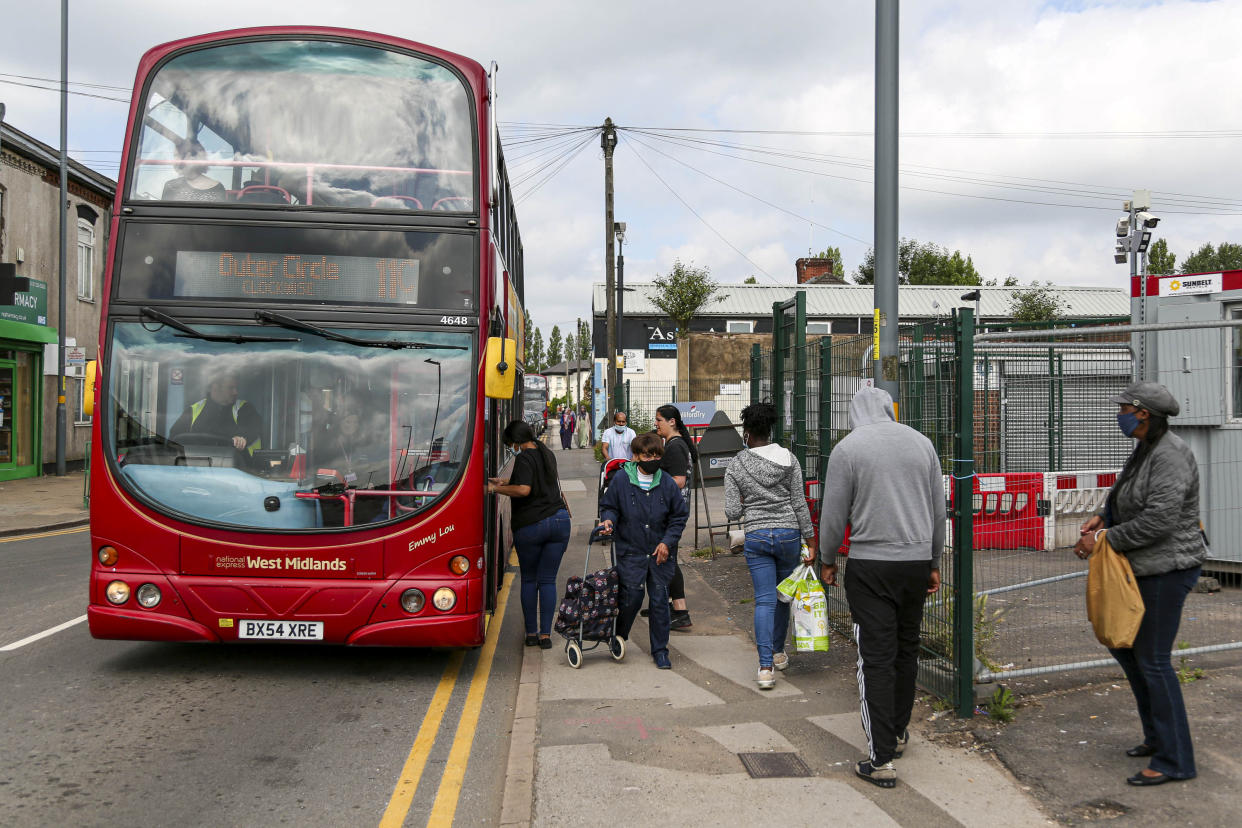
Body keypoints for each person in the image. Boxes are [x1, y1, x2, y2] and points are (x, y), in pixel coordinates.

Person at [1073, 381, 1207, 786]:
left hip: (1169, 569)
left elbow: (1159, 521)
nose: (1120, 413)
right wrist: (1102, 515)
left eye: (1125, 408)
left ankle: (1175, 760)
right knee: (1129, 653)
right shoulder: (1147, 448)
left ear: (1143, 413)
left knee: (1152, 660)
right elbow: (1126, 492)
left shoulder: (1171, 455)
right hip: (1144, 568)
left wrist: (1102, 539)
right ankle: (1156, 738)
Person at [817, 386, 944, 789]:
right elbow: (938, 509)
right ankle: (899, 732)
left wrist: (828, 558)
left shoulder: (849, 449)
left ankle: (881, 758)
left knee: (874, 657)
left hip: (871, 565)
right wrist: (934, 562)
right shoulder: (922, 444)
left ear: (855, 412)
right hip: (915, 561)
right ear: (890, 410)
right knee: (906, 650)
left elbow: (833, 511)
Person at [724, 402, 816, 690]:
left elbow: (730, 512)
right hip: (789, 534)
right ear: (771, 429)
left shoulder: (736, 464)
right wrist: (811, 540)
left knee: (764, 599)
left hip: (758, 535)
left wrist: (746, 503)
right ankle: (778, 651)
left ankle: (765, 669)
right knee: (783, 596)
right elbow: (800, 503)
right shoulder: (789, 459)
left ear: (747, 432)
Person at [597, 432, 689, 670]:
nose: (652, 459)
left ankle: (660, 650)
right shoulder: (621, 480)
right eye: (647, 455)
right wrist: (608, 521)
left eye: (657, 455)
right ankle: (619, 635)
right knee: (632, 598)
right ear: (636, 456)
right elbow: (609, 507)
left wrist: (667, 542)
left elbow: (678, 517)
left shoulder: (667, 482)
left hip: (660, 554)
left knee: (659, 600)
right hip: (632, 551)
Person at [488, 420, 571, 649]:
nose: (510, 448)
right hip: (559, 521)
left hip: (532, 525)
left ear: (516, 441)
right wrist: (506, 481)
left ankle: (531, 634)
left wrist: (495, 488)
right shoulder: (546, 453)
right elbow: (537, 482)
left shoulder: (523, 457)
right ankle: (546, 635)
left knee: (529, 579)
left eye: (510, 444)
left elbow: (524, 489)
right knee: (547, 581)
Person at [169, 368, 264, 469]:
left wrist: (242, 438)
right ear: (215, 387)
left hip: (241, 472)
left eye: (236, 388)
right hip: (197, 472)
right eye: (230, 388)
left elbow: (254, 428)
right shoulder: (194, 410)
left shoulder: (244, 409)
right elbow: (175, 439)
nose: (235, 392)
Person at [654, 404, 695, 629]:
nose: (656, 424)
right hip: (673, 509)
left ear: (672, 422)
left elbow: (678, 480)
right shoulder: (673, 444)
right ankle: (668, 605)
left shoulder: (675, 447)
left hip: (673, 511)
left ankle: (680, 612)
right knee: (667, 559)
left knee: (667, 559)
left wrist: (652, 483)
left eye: (659, 420)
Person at [315, 409, 387, 526]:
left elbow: (360, 470)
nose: (353, 426)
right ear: (339, 423)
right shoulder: (328, 445)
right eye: (348, 422)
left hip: (352, 493)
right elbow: (326, 475)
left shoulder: (357, 443)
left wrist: (367, 482)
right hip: (333, 499)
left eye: (356, 422)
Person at [161, 138, 226, 202]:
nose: (174, 161)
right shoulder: (171, 186)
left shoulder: (217, 188)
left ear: (190, 157)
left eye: (176, 155)